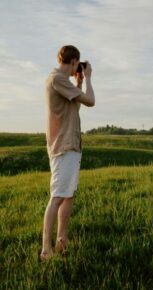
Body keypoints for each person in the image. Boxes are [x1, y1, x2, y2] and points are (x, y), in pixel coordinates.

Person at [40, 45, 95, 261]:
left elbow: (74, 108)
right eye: (77, 66)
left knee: (68, 195)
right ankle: (46, 249)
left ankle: (62, 241)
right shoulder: (57, 79)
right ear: (73, 62)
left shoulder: (63, 82)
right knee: (57, 197)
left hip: (71, 144)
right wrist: (88, 79)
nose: (78, 70)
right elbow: (90, 101)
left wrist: (78, 83)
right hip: (63, 145)